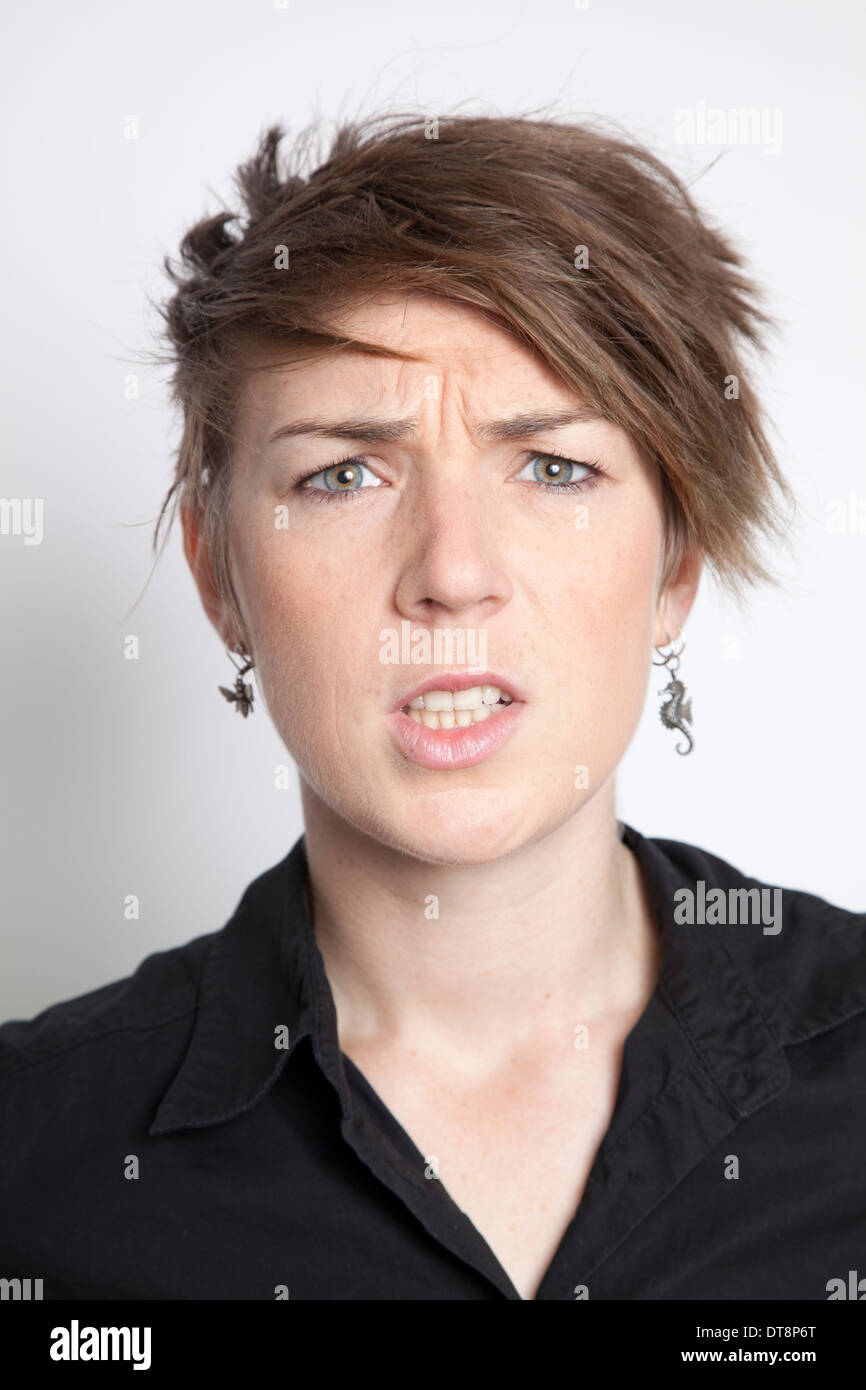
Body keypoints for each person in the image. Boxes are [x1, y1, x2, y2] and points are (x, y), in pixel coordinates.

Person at [1, 111, 864, 1302]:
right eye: (342, 473)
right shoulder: (34, 1161)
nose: (452, 571)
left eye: (553, 466)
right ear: (219, 580)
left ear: (674, 563)